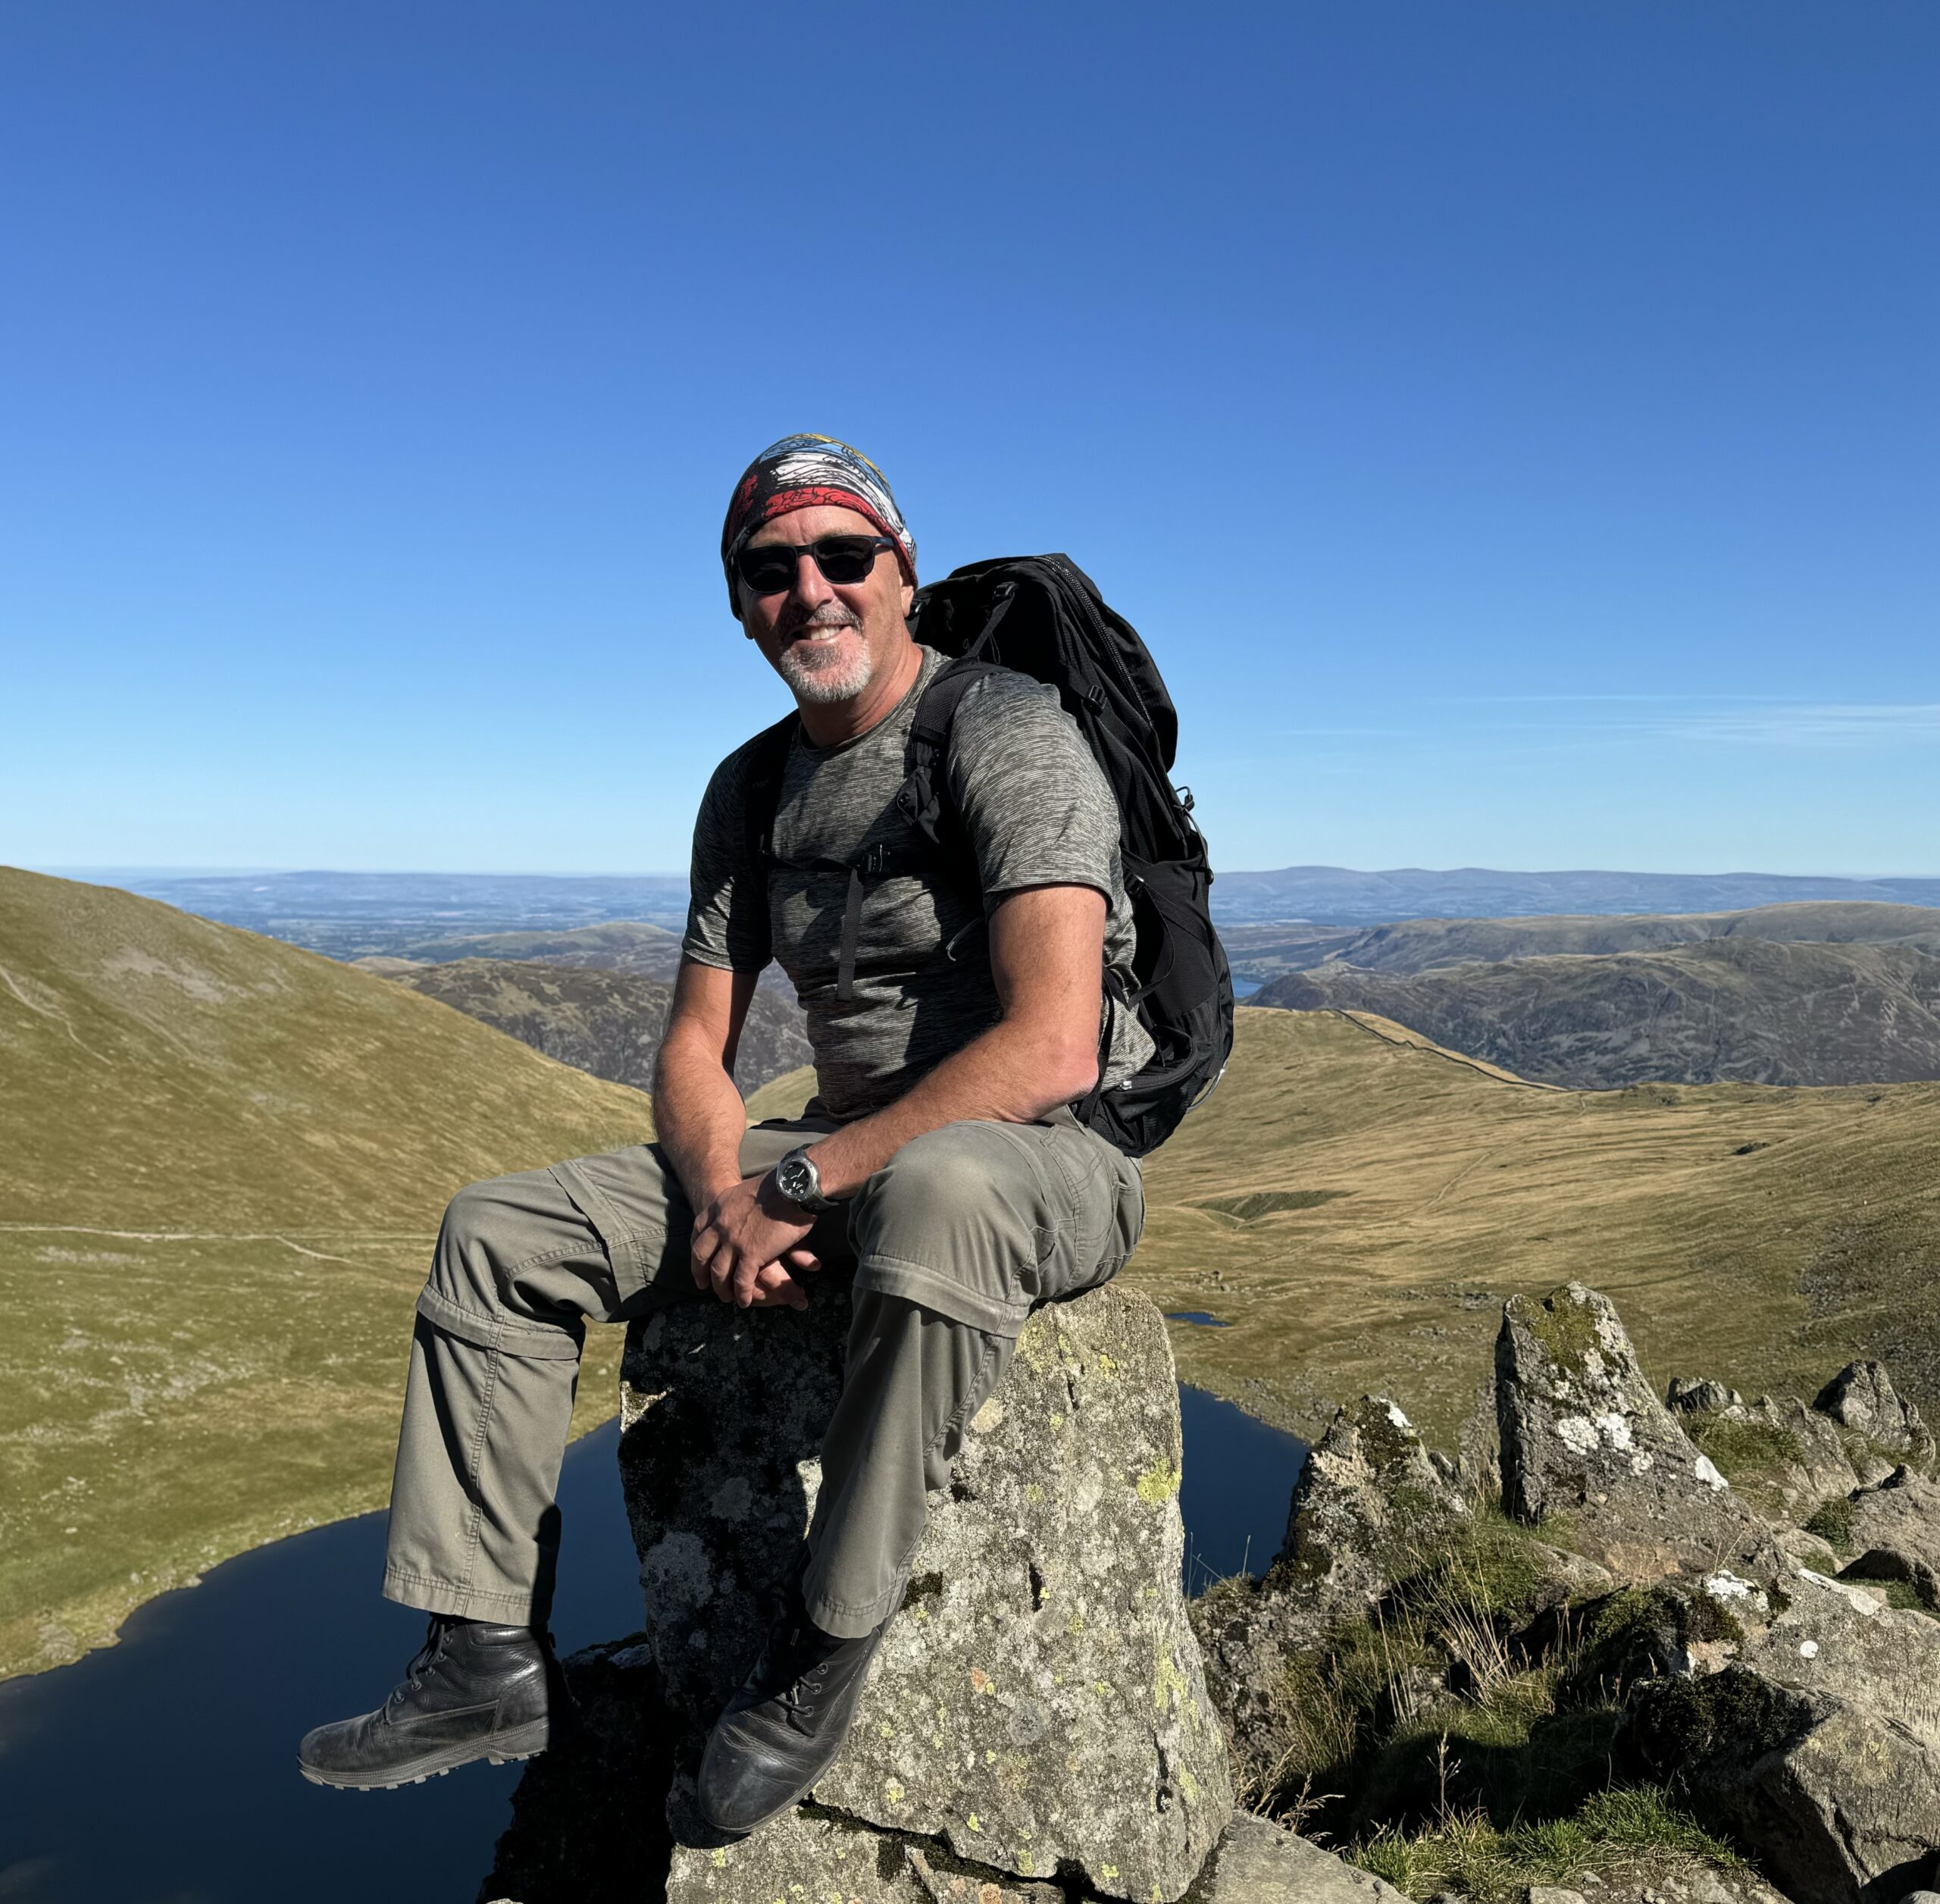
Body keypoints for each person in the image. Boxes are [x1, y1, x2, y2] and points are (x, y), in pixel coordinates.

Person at [298, 434, 1153, 1834]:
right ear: (740, 601)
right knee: (498, 1232)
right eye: (771, 570)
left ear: (903, 572)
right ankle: (480, 1652)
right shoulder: (750, 788)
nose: (809, 592)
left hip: (1043, 1155)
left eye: (842, 558)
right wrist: (717, 1196)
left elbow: (1052, 1042)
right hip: (842, 1148)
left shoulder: (1002, 735)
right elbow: (696, 1044)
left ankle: (827, 1647)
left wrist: (804, 1180)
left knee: (938, 1190)